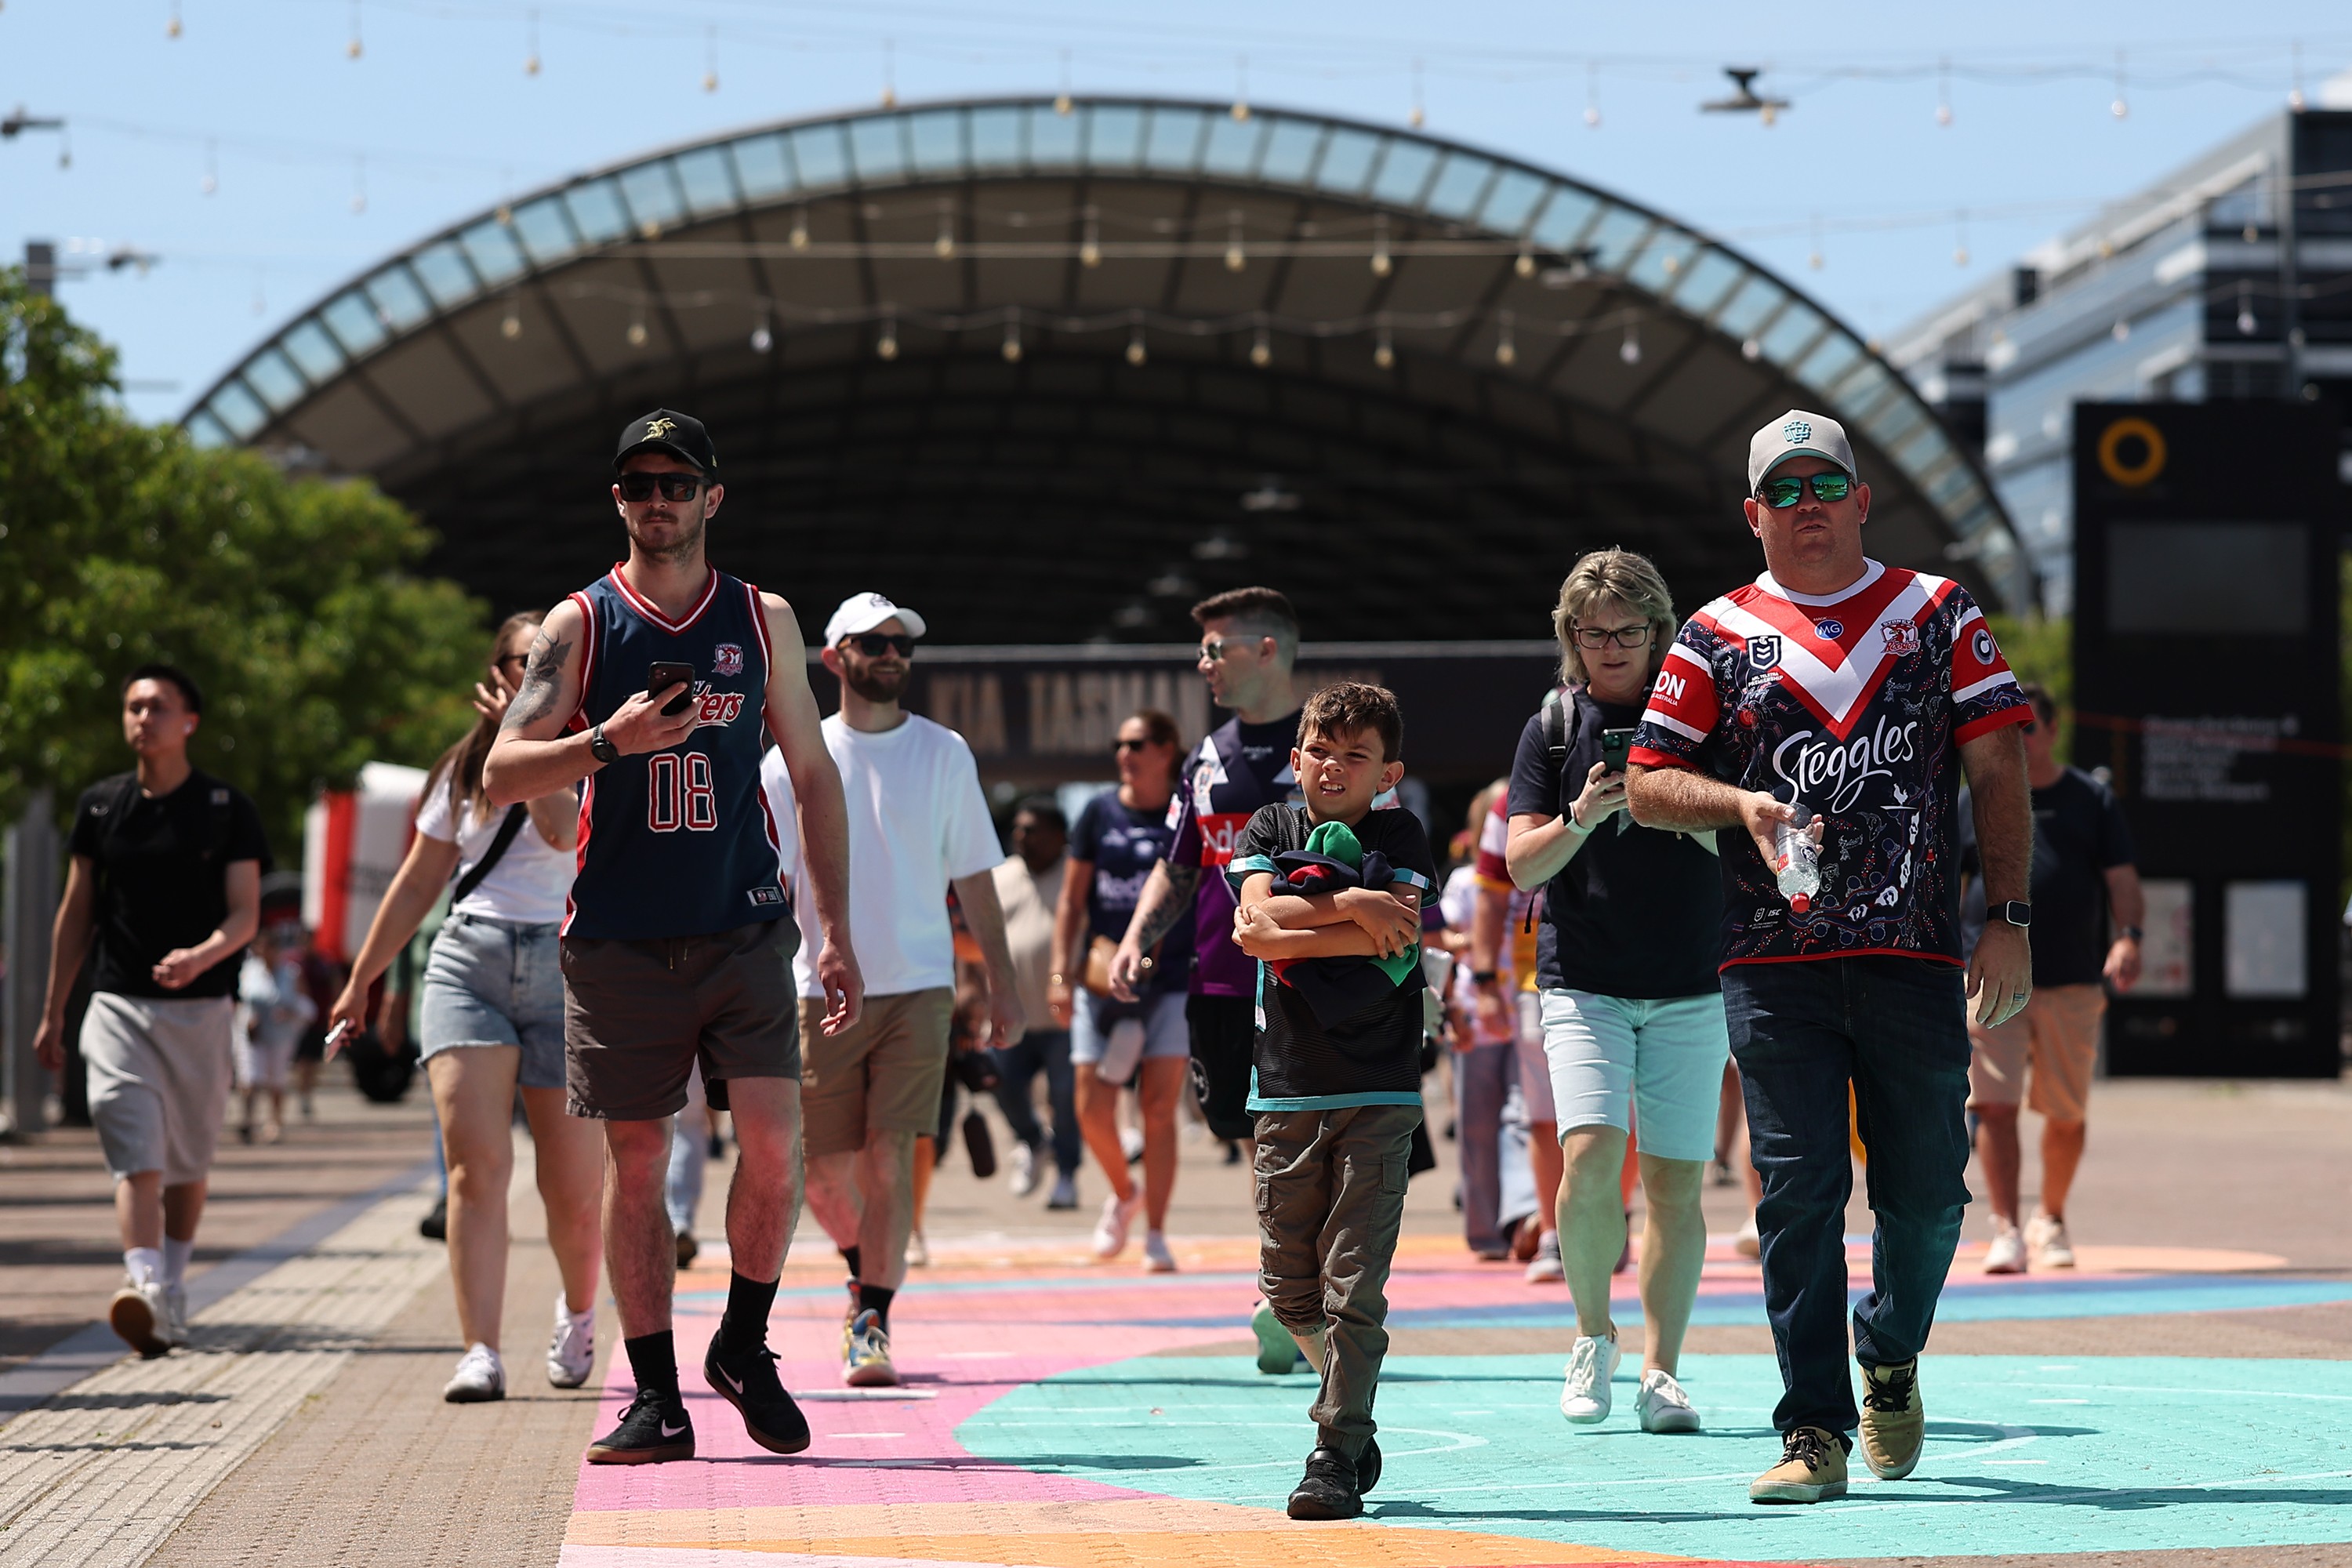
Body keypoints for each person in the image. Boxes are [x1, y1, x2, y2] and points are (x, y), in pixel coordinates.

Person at [1625, 409, 2034, 1504]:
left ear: (1861, 499)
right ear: (1754, 514)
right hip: (1771, 966)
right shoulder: (1712, 633)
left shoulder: (1938, 613)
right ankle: (1815, 1430)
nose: (1807, 504)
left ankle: (1889, 1348)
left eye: (1826, 484)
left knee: (1929, 1198)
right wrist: (1738, 801)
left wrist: (2011, 917)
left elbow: (1998, 773)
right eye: (1784, 489)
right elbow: (1648, 781)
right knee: (1798, 1192)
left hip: (1914, 957)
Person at [485, 408, 862, 1464]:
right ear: (619, 500)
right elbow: (500, 769)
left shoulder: (763, 616)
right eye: (638, 483)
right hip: (617, 940)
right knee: (640, 1161)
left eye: (676, 482)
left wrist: (831, 930)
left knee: (778, 1146)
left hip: (744, 927)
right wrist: (608, 740)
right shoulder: (580, 624)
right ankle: (656, 1396)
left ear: (712, 497)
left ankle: (742, 1345)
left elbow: (815, 775)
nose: (658, 499)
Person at [326, 610, 606, 1402]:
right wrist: (363, 978)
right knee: (474, 1168)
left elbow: (559, 837)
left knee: (572, 1185)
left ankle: (580, 1311)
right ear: (497, 671)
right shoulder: (460, 766)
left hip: (566, 965)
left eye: (548, 664)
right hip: (469, 960)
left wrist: (525, 753)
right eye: (521, 662)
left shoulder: (594, 749)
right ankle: (480, 1349)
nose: (533, 677)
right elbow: (419, 877)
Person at [765, 590, 1022, 1388]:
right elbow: (770, 886)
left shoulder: (943, 751)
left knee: (890, 1159)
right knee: (824, 1172)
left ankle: (872, 1319)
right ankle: (860, 1268)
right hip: (819, 990)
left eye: (900, 645)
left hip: (920, 985)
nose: (891, 656)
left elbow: (975, 876)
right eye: (872, 643)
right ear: (834, 658)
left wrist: (1003, 986)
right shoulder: (791, 759)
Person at [1501, 548, 1730, 1435]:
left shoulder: (1705, 723)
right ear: (1571, 635)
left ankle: (1662, 1369)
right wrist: (1584, 814)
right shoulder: (1553, 726)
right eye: (1592, 632)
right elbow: (1523, 864)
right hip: (1584, 977)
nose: (1610, 648)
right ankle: (1592, 1335)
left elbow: (1747, 843)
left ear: (1658, 632)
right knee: (1591, 1159)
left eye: (1628, 632)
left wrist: (1674, 801)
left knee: (1677, 1184)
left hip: (1689, 981)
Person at [1227, 682, 1437, 1521]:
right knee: (1288, 1285)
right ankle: (1346, 1405)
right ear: (1296, 756)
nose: (1334, 766)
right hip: (1284, 1087)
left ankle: (1336, 1447)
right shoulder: (1267, 828)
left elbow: (1401, 933)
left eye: (1356, 755)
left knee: (1355, 1281)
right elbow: (1252, 923)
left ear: (1389, 770)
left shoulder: (1402, 831)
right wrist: (1352, 900)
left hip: (1379, 1088)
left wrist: (1300, 922)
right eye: (1321, 749)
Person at [34, 666, 269, 1357]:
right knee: (132, 1137)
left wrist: (201, 956)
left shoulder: (227, 809)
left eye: (158, 707)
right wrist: (54, 1011)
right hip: (116, 1002)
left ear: (189, 721)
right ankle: (142, 1286)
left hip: (199, 1008)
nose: (143, 718)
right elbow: (76, 913)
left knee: (188, 1160)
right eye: (134, 707)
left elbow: (245, 914)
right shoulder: (101, 807)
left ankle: (170, 1281)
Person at [1107, 590, 1306, 1355]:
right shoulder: (1208, 755)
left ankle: (1290, 1289)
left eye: (1216, 648)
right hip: (1221, 984)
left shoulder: (1329, 742)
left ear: (1267, 650)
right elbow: (1181, 863)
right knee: (1255, 1137)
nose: (1204, 663)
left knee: (1303, 1136)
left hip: (1314, 982)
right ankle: (1287, 1281)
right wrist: (1135, 937)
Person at [1958, 682, 2143, 1273]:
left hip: (2069, 980)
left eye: (2028, 727)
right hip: (1989, 976)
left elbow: (2123, 883)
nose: (2019, 739)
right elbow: (1949, 886)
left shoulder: (2092, 799)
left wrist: (2128, 939)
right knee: (1993, 1106)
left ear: (2053, 730)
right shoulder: (1973, 798)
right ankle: (2007, 1228)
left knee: (2065, 1112)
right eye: (2007, 729)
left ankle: (2052, 1217)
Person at [1052, 711, 1194, 1268]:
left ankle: (1156, 1233)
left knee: (1159, 1109)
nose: (1124, 754)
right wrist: (1058, 976)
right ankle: (1125, 1194)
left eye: (1136, 744)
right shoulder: (1098, 812)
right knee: (1090, 1107)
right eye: (1119, 744)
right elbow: (1070, 900)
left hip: (1174, 978)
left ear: (1167, 750)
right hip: (1102, 978)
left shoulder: (1186, 811)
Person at [1468, 789, 1563, 1281]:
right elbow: (1490, 889)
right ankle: (1553, 1233)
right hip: (1537, 978)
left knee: (1628, 1118)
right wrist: (1486, 982)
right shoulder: (1511, 801)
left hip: (1637, 973)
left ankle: (1608, 1219)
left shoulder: (1648, 767)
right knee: (1542, 1117)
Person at [1435, 783, 1518, 1261]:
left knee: (1530, 1123)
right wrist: (1468, 941)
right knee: (1479, 1126)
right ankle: (1486, 1230)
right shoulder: (1467, 881)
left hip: (1530, 1007)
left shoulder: (1539, 869)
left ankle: (1526, 1218)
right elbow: (1442, 934)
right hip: (1478, 1009)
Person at [993, 797, 1081, 1210]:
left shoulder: (1079, 874)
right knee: (1001, 1083)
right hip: (1013, 1012)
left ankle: (1066, 1175)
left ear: (1060, 836)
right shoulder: (1000, 875)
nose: (1021, 836)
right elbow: (979, 939)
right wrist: (973, 988)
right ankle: (1032, 1141)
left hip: (1066, 1016)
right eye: (1019, 828)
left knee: (1065, 1098)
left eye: (1032, 829)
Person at [233, 923, 314, 1145]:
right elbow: (240, 1001)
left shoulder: (290, 974)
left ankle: (275, 1122)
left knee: (276, 1080)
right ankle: (248, 1120)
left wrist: (289, 1013)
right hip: (252, 1035)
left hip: (279, 1035)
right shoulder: (248, 971)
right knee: (250, 1078)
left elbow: (306, 1006)